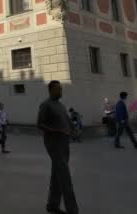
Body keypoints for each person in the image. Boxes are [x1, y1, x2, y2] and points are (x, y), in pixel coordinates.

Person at [37, 81, 78, 214]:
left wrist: (72, 128)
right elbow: (40, 124)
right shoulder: (45, 105)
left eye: (61, 89)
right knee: (65, 177)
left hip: (64, 143)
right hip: (54, 144)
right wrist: (56, 131)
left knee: (57, 175)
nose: (61, 91)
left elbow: (66, 119)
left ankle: (52, 205)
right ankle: (73, 210)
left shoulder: (60, 105)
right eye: (58, 89)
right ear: (50, 90)